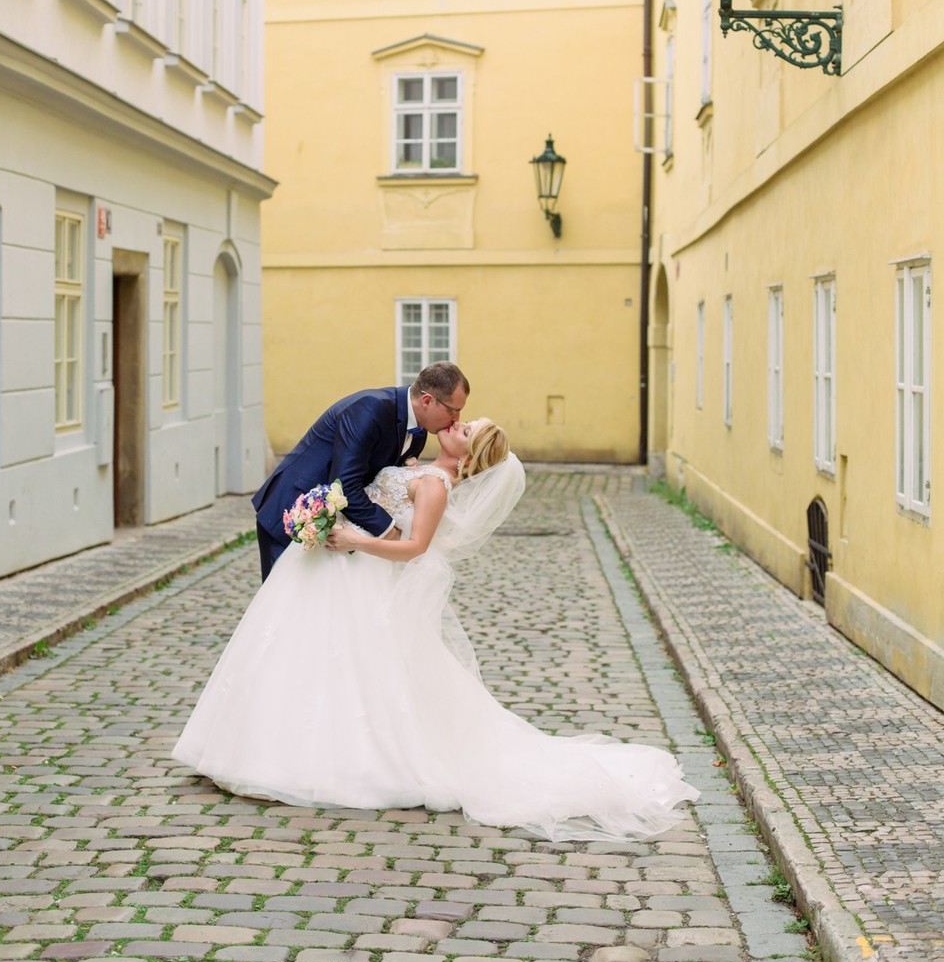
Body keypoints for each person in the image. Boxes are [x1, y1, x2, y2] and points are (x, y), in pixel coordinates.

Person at [173, 418, 698, 843]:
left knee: (346, 666)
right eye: (462, 420)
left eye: (466, 429)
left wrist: (355, 541)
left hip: (360, 570)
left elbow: (414, 548)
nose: (457, 423)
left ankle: (320, 759)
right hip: (340, 574)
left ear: (465, 458)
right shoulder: (415, 465)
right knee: (308, 657)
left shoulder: (434, 486)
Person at [251, 361, 470, 580]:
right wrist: (390, 532)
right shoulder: (370, 409)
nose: (456, 420)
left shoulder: (419, 434)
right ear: (427, 400)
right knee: (285, 606)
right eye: (453, 411)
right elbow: (345, 485)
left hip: (339, 531)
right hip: (293, 514)